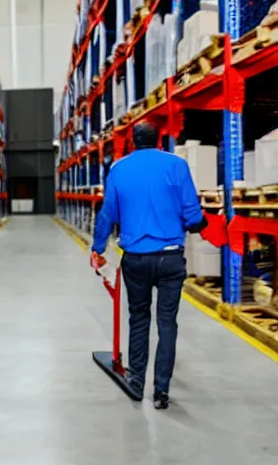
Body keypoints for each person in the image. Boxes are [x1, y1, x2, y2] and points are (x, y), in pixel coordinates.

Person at [90, 123, 208, 410]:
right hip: (170, 259)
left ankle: (136, 383)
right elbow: (193, 214)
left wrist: (97, 248)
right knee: (167, 323)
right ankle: (162, 392)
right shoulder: (177, 165)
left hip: (136, 260)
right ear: (158, 141)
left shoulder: (119, 169)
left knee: (139, 318)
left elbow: (108, 214)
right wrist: (196, 223)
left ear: (132, 142)